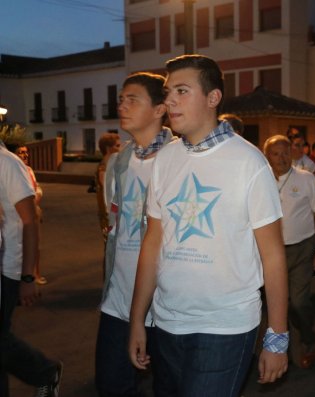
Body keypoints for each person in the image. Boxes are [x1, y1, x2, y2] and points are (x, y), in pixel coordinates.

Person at [128, 54, 288, 396]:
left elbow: (273, 255)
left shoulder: (249, 163)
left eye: (182, 91)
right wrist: (138, 319)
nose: (169, 99)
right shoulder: (166, 159)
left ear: (213, 98)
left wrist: (277, 336)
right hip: (167, 323)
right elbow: (153, 243)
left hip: (225, 327)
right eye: (169, 91)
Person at [96, 72, 173, 397]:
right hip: (119, 299)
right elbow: (114, 229)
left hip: (167, 302)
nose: (122, 106)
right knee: (112, 385)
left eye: (133, 99)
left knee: (170, 388)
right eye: (121, 99)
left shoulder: (180, 160)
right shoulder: (117, 162)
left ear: (159, 109)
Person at [0, 142, 63, 397]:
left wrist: (28, 276)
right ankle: (45, 371)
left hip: (7, 267)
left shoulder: (8, 163)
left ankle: (45, 371)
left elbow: (30, 220)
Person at [264, 135, 315, 369]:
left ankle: (309, 340)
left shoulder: (306, 178)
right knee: (276, 303)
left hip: (301, 248)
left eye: (285, 153)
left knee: (299, 303)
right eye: (275, 153)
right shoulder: (261, 180)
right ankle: (281, 349)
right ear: (267, 156)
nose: (281, 158)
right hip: (270, 252)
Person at [10, 144, 46, 285]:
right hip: (19, 215)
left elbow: (36, 188)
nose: (25, 155)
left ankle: (36, 274)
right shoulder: (14, 171)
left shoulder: (29, 170)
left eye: (26, 152)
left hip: (33, 211)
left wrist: (37, 195)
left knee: (35, 244)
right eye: (21, 152)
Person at [95, 132, 121, 243]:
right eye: (117, 146)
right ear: (108, 148)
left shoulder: (111, 165)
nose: (120, 148)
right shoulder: (104, 168)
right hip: (109, 214)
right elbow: (109, 193)